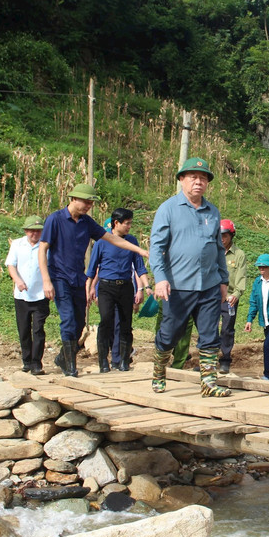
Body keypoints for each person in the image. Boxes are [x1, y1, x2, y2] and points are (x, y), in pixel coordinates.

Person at [39, 184, 149, 378]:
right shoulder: (54, 220)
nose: (89, 205)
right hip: (59, 276)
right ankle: (70, 367)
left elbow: (111, 238)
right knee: (68, 319)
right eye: (86, 202)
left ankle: (63, 357)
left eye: (91, 203)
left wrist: (139, 250)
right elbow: (42, 249)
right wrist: (46, 280)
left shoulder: (86, 223)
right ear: (73, 199)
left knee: (80, 322)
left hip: (78, 277)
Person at [149, 157, 231, 397]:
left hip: (208, 285)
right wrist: (160, 278)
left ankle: (208, 383)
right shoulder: (168, 209)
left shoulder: (212, 211)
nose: (199, 181)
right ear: (182, 180)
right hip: (178, 286)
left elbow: (218, 249)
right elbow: (157, 247)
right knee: (170, 333)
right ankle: (158, 372)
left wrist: (223, 280)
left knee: (209, 335)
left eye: (203, 178)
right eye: (193, 177)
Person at [85, 208, 151, 373]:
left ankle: (123, 361)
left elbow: (139, 267)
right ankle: (103, 362)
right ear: (116, 223)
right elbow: (92, 270)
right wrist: (89, 289)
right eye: (126, 223)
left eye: (130, 223)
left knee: (125, 324)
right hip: (107, 287)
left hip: (126, 287)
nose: (129, 226)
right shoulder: (102, 242)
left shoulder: (132, 241)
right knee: (106, 321)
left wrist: (146, 286)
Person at [5, 215, 49, 375]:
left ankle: (37, 363)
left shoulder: (46, 246)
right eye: (31, 231)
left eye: (38, 231)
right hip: (22, 295)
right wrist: (18, 280)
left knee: (38, 329)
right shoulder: (17, 244)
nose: (34, 234)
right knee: (23, 329)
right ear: (25, 231)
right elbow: (11, 264)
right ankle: (27, 361)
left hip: (40, 294)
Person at [218, 219, 247, 373]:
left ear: (231, 236)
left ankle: (225, 360)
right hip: (212, 296)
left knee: (227, 329)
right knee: (207, 327)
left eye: (225, 236)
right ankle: (207, 360)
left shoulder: (239, 254)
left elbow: (241, 277)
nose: (222, 239)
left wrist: (236, 293)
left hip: (229, 297)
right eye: (219, 235)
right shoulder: (213, 251)